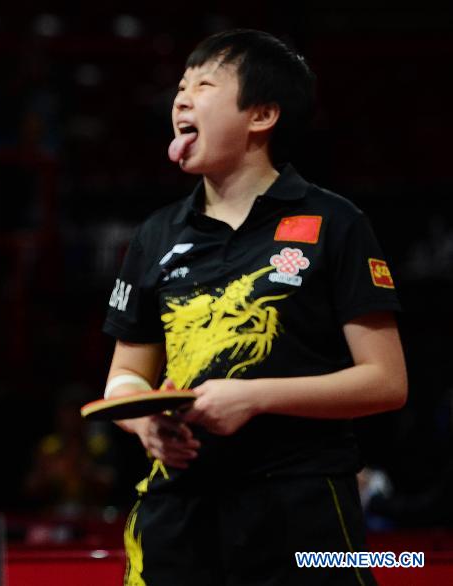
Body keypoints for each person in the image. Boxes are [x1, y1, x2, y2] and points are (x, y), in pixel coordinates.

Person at [102, 30, 406, 585]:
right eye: (179, 88)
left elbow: (386, 382)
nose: (182, 99)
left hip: (304, 512)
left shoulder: (336, 224)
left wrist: (256, 397)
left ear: (261, 115)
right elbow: (124, 376)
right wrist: (143, 420)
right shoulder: (156, 234)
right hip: (179, 509)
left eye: (204, 85)